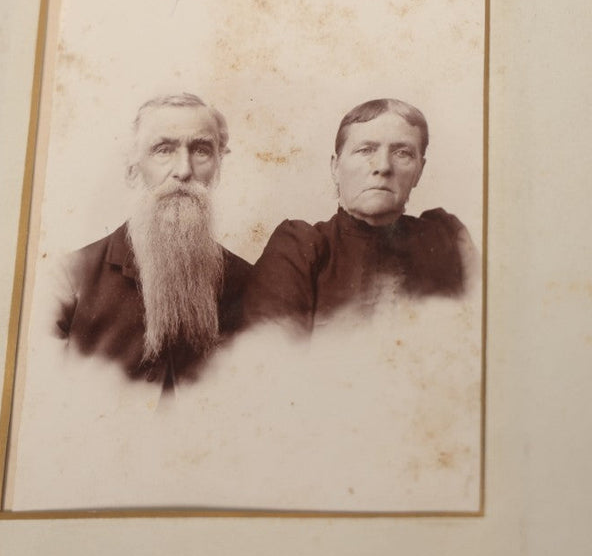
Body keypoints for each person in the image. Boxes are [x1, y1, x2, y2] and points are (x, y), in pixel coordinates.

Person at [53, 93, 251, 386]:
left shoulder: (248, 283)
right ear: (133, 169)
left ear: (218, 166)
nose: (184, 171)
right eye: (163, 150)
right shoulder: (69, 279)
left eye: (201, 150)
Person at [243, 98, 477, 331]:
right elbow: (272, 360)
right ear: (335, 167)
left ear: (419, 171)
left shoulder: (446, 239)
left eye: (402, 153)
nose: (383, 166)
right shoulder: (300, 249)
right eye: (366, 150)